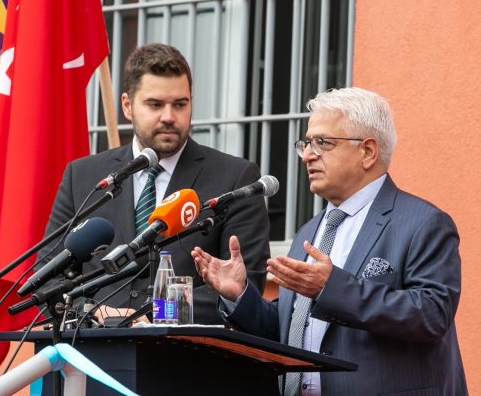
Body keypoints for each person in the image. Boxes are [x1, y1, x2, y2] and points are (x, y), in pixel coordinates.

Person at [192, 87, 467, 395]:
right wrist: (241, 295)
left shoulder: (422, 223)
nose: (308, 155)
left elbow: (432, 315)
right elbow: (291, 330)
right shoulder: (309, 232)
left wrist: (331, 288)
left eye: (323, 143)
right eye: (307, 144)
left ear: (367, 151)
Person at [39, 43, 270, 324]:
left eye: (180, 104)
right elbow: (48, 279)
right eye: (155, 105)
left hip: (183, 348)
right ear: (127, 106)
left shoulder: (235, 177)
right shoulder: (84, 177)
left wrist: (152, 315)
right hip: (95, 345)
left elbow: (245, 287)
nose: (169, 117)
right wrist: (95, 314)